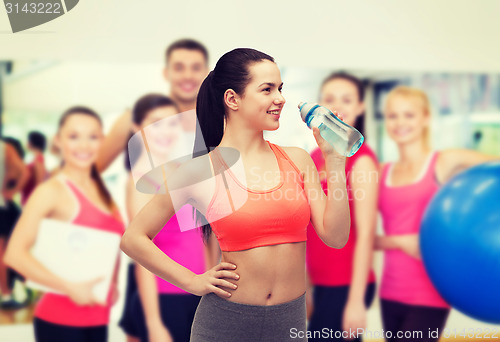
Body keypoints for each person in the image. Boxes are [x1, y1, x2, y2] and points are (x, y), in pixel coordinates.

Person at [120, 48, 351, 342]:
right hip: (225, 325)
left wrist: (335, 160)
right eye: (267, 89)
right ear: (232, 99)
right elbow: (134, 238)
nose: (280, 98)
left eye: (280, 89)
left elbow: (336, 236)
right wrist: (191, 281)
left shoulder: (298, 159)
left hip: (288, 322)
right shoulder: (199, 171)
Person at [375, 86, 500, 342]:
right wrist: (398, 241)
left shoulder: (446, 161)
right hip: (390, 291)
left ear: (425, 118)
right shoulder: (379, 172)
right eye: (392, 115)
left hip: (431, 293)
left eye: (409, 115)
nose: (400, 123)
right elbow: (360, 236)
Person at [113, 39, 210, 342]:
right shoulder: (142, 179)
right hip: (165, 294)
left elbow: (201, 233)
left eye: (171, 124)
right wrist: (154, 322)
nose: (166, 131)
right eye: (156, 125)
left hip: (194, 288)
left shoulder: (178, 170)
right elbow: (142, 252)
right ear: (137, 129)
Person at [4, 107, 125, 342]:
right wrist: (70, 287)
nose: (84, 145)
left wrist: (113, 284)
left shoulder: (101, 190)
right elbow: (14, 254)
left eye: (93, 137)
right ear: (58, 141)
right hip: (60, 321)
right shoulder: (51, 191)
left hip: (98, 317)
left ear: (102, 140)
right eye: (73, 136)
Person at [306, 72, 378, 341]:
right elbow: (310, 228)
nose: (338, 107)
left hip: (346, 286)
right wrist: (306, 288)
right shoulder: (315, 156)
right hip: (320, 284)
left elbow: (366, 234)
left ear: (361, 107)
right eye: (330, 99)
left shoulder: (362, 161)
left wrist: (356, 301)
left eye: (347, 99)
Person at [0, 138, 28, 309]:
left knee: (6, 252)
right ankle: (11, 291)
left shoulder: (5, 148)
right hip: (6, 207)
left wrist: (11, 192)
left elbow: (24, 173)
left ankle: (8, 293)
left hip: (3, 207)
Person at [21, 131, 48, 205]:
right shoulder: (37, 159)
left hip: (32, 200)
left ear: (31, 142)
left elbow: (39, 183)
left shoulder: (38, 159)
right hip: (29, 198)